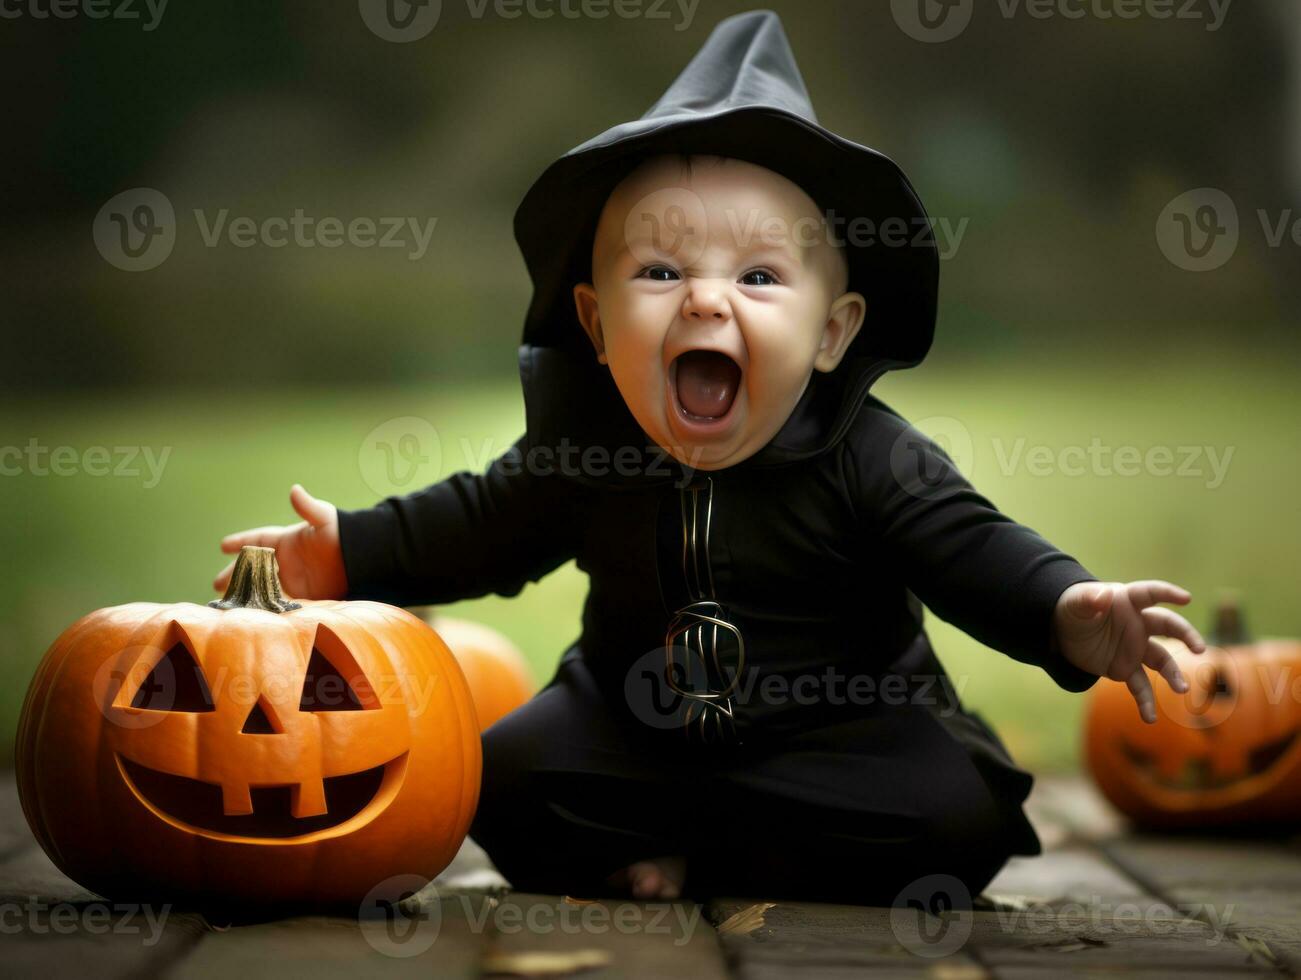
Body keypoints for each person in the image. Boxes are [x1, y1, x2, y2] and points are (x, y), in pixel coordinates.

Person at [214, 11, 1205, 906]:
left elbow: (971, 547)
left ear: (831, 330)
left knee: (955, 820)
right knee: (493, 781)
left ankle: (705, 853)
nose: (703, 299)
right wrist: (350, 551)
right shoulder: (587, 445)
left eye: (759, 275)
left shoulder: (870, 453)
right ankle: (715, 844)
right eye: (658, 269)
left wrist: (1064, 610)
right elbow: (480, 521)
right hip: (629, 730)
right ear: (596, 325)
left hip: (841, 736)